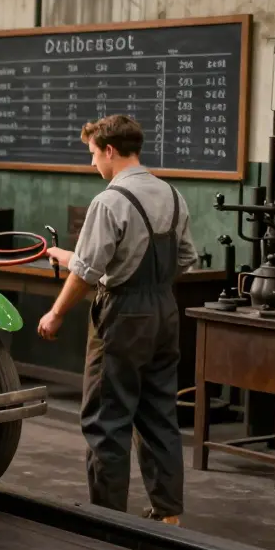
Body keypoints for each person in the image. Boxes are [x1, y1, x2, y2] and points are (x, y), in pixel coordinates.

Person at [37, 114, 196, 526]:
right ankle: (168, 513)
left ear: (109, 150)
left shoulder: (109, 201)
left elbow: (90, 273)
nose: (93, 164)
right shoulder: (172, 194)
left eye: (93, 154)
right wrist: (68, 257)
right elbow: (186, 260)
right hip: (164, 311)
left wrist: (55, 313)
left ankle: (108, 520)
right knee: (159, 413)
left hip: (123, 316)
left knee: (107, 417)